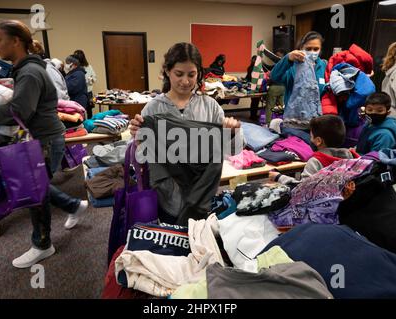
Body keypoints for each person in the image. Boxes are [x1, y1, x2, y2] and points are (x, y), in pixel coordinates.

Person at [0, 20, 88, 267]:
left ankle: (42, 244)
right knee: (37, 188)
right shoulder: (22, 69)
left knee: (35, 193)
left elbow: (19, 109)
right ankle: (73, 206)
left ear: (16, 41)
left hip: (45, 140)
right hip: (41, 138)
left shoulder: (30, 72)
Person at [129, 43, 243, 222]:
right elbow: (142, 153)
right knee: (170, 243)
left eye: (191, 75)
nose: (185, 81)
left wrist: (233, 132)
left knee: (198, 244)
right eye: (179, 74)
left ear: (199, 73)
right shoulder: (153, 109)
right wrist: (138, 136)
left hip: (202, 195)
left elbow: (233, 151)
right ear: (167, 71)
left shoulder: (210, 106)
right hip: (166, 196)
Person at [269, 115, 359, 185]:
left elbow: (302, 188)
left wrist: (279, 177)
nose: (310, 138)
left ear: (318, 141)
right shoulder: (351, 157)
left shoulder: (315, 162)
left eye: (311, 136)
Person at [271, 31, 327, 110]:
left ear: (320, 49)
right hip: (294, 117)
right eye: (308, 48)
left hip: (317, 117)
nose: (312, 52)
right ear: (301, 48)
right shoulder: (292, 66)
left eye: (316, 49)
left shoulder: (324, 66)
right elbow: (274, 77)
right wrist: (288, 59)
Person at [247, 49, 286, 122]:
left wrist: (263, 52)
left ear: (282, 55)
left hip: (275, 87)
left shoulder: (277, 65)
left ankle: (268, 123)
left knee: (270, 106)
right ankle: (282, 121)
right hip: (283, 87)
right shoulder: (286, 64)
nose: (276, 56)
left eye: (277, 55)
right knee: (281, 106)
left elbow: (271, 75)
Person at [74, 50, 97, 118]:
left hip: (88, 92)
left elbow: (94, 78)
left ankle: (90, 125)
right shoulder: (74, 68)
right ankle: (83, 126)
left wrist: (90, 80)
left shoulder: (88, 67)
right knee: (81, 111)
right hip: (79, 93)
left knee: (89, 110)